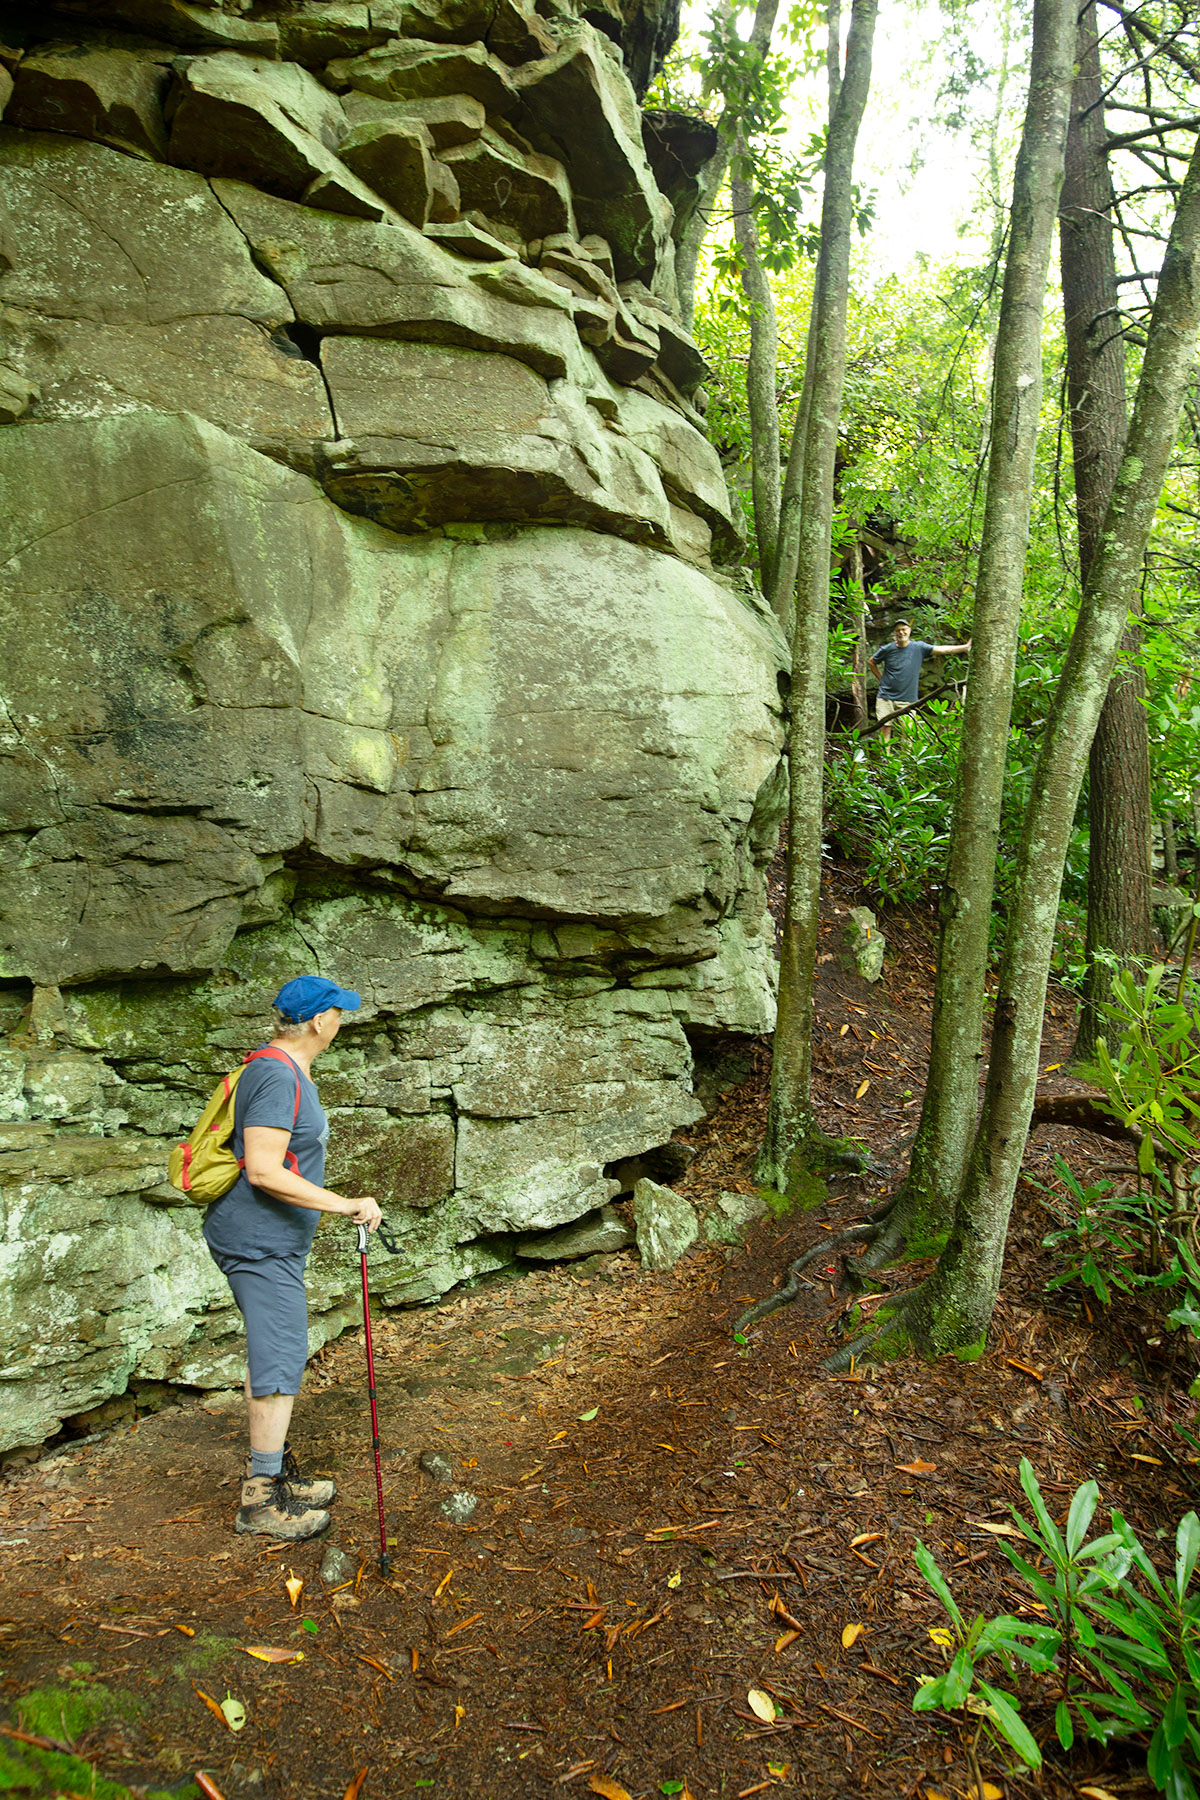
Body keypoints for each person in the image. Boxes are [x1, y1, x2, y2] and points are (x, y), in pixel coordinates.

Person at [202, 976, 383, 1542]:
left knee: (276, 1350)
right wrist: (344, 1203)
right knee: (280, 1356)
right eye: (338, 1014)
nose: (340, 1023)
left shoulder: (281, 1069)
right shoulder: (278, 1075)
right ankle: (259, 1500)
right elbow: (263, 1169)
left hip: (268, 1237)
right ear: (319, 1021)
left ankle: (275, 1472)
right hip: (258, 1240)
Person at [868, 619, 972, 741]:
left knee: (908, 732)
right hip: (886, 696)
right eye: (898, 630)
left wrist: (965, 647)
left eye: (904, 629)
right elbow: (871, 662)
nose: (901, 633)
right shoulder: (887, 649)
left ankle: (907, 754)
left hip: (908, 698)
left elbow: (943, 650)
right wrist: (881, 679)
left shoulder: (919, 647)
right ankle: (884, 753)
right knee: (885, 729)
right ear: (894, 633)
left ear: (909, 631)